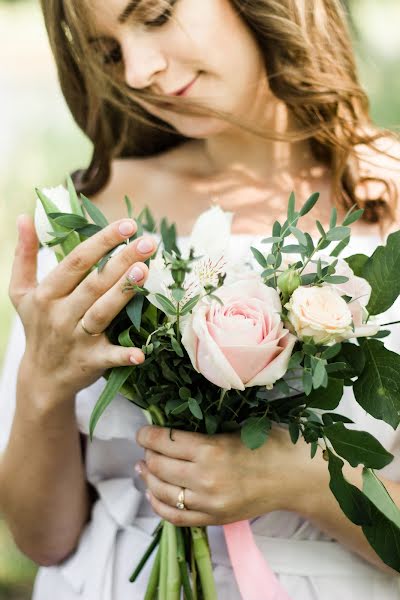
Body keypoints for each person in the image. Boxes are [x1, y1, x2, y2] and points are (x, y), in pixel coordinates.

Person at [1, 0, 400, 598]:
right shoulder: (89, 220)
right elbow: (43, 541)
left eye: (157, 15)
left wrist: (306, 484)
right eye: (109, 51)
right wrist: (41, 385)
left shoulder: (389, 202)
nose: (136, 73)